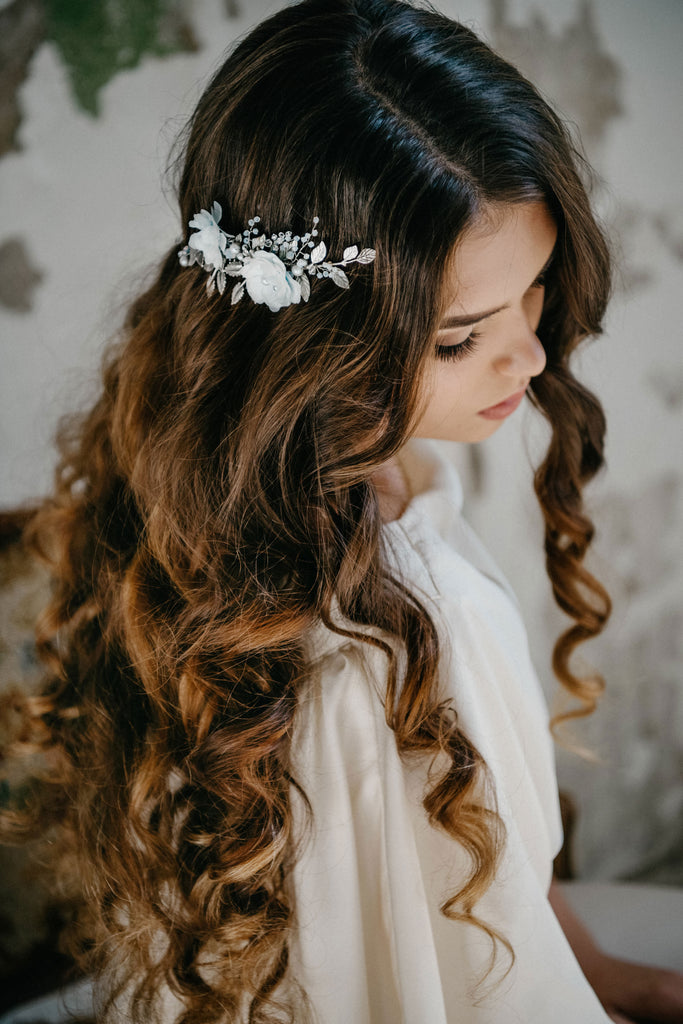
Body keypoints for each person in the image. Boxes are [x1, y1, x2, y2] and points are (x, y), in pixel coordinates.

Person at [2, 1, 682, 1022]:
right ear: (314, 340)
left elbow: (483, 863)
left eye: (533, 292)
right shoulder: (377, 640)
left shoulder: (324, 477)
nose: (530, 358)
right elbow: (412, 972)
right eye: (458, 338)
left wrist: (594, 974)